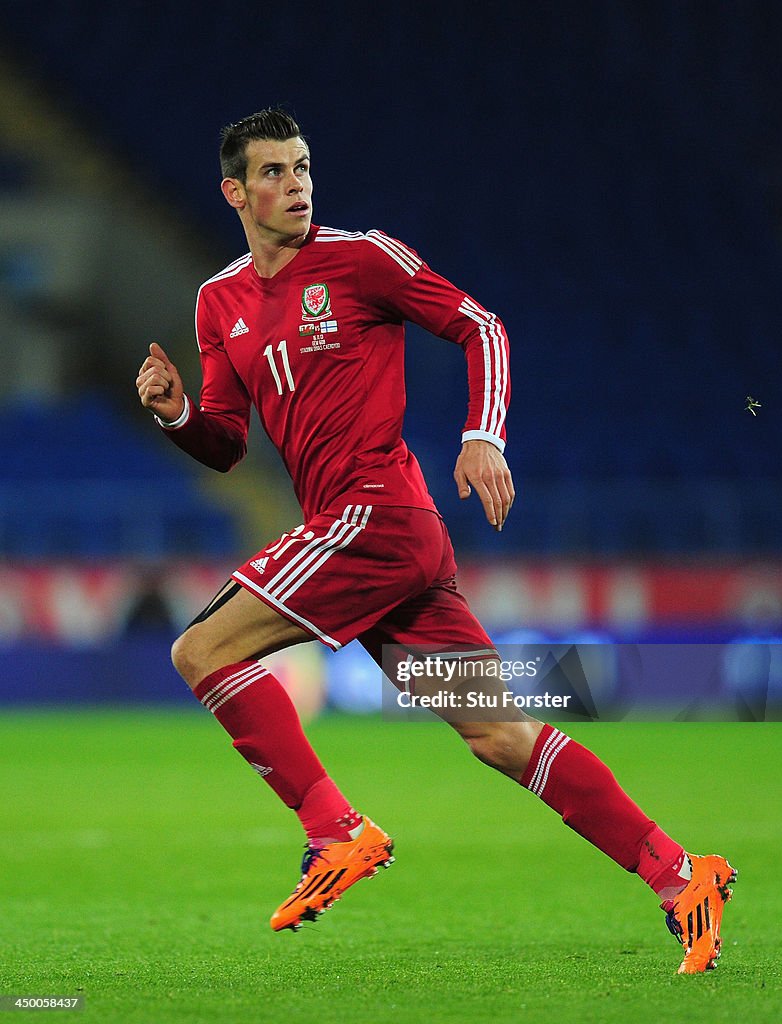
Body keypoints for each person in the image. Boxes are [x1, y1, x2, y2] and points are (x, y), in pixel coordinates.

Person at [136, 108, 735, 973]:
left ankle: (336, 829)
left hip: (373, 514)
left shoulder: (362, 257)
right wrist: (178, 415)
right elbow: (226, 443)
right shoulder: (217, 301)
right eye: (274, 172)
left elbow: (479, 325)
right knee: (499, 735)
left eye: (303, 167)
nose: (296, 184)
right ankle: (680, 871)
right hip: (379, 544)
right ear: (234, 191)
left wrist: (481, 433)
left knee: (201, 650)